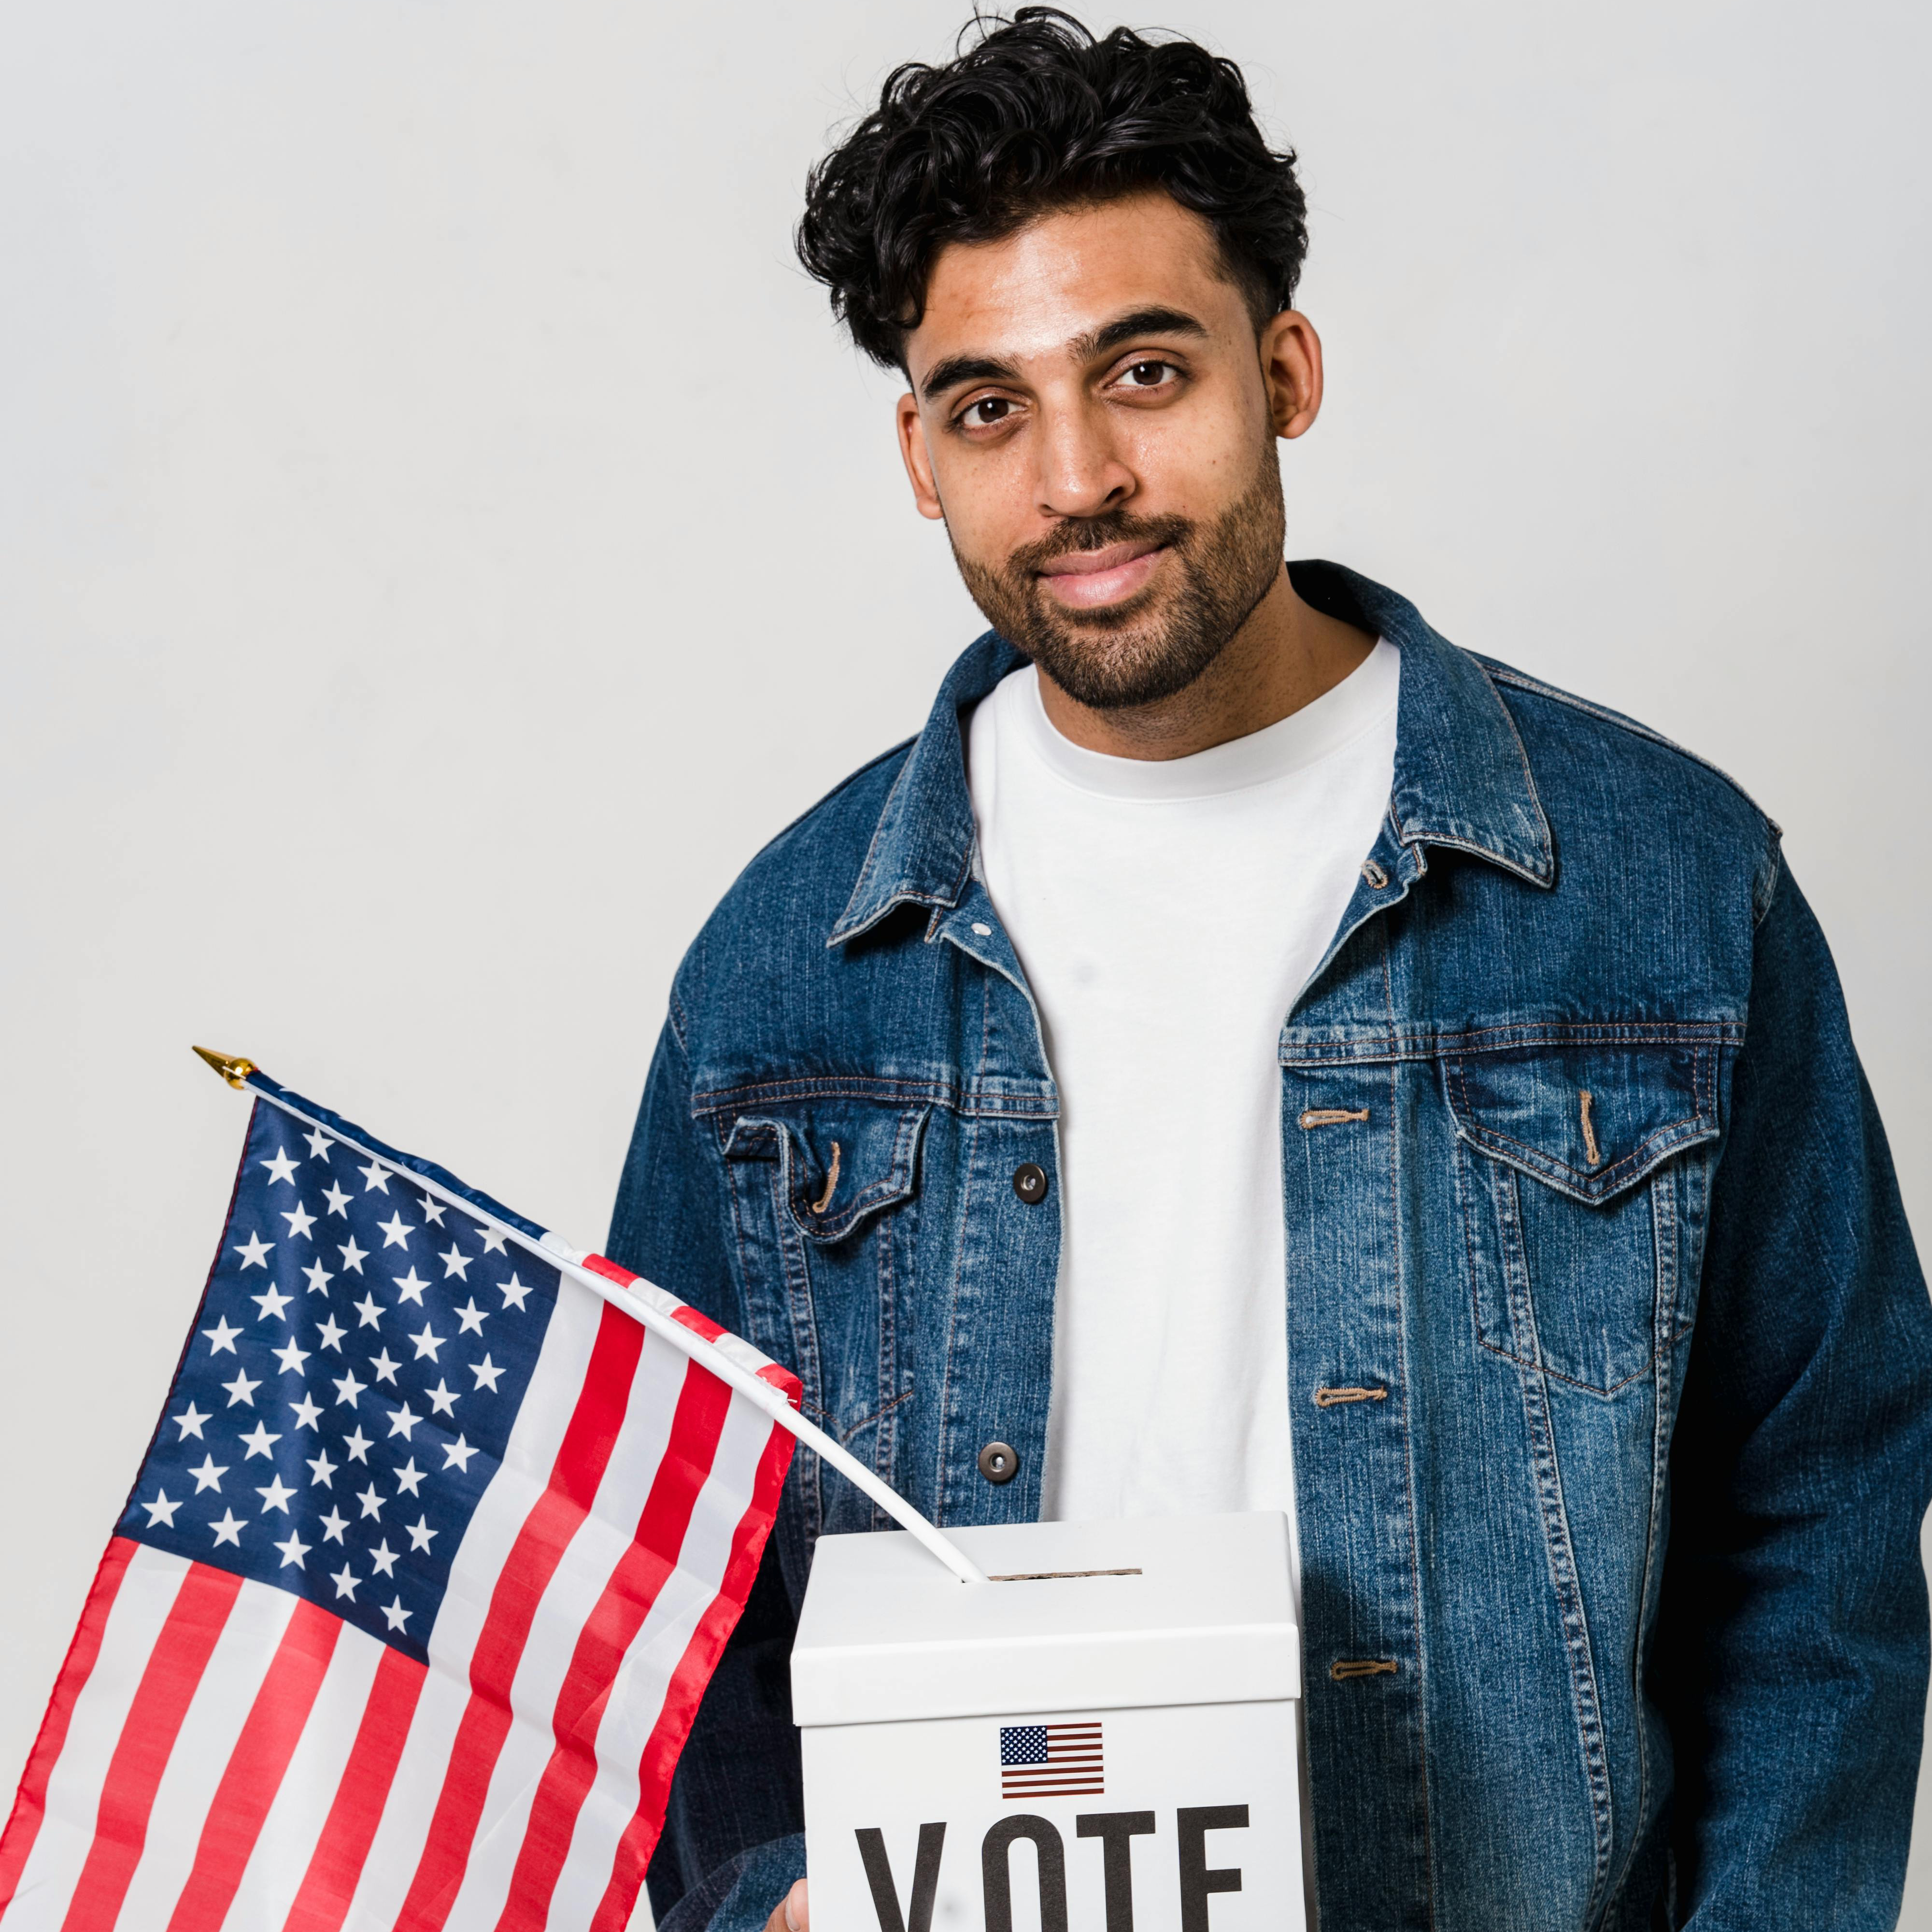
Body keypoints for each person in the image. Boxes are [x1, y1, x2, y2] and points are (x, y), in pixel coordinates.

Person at [606, 11, 1932, 1929]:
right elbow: (663, 1552)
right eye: (990, 408)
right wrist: (768, 1891)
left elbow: (1819, 1504)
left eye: (1143, 372)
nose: (1077, 479)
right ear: (920, 454)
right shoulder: (788, 964)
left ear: (1283, 368)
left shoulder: (1657, 886)